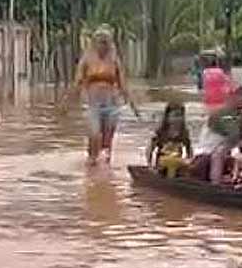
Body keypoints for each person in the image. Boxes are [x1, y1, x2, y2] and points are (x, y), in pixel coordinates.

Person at [72, 25, 136, 165]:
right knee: (94, 134)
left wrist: (133, 105)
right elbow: (78, 82)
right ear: (95, 43)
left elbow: (123, 84)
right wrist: (67, 103)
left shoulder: (114, 60)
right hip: (93, 104)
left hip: (112, 104)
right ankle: (92, 159)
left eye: (106, 42)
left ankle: (105, 174)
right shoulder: (87, 59)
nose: (103, 45)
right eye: (100, 42)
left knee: (107, 141)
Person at [147, 102, 193, 178]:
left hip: (177, 163)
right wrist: (150, 166)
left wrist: (189, 162)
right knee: (167, 163)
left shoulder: (184, 132)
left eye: (181, 116)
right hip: (162, 164)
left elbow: (189, 150)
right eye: (175, 116)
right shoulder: (161, 131)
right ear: (167, 117)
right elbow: (150, 149)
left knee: (182, 167)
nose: (178, 119)